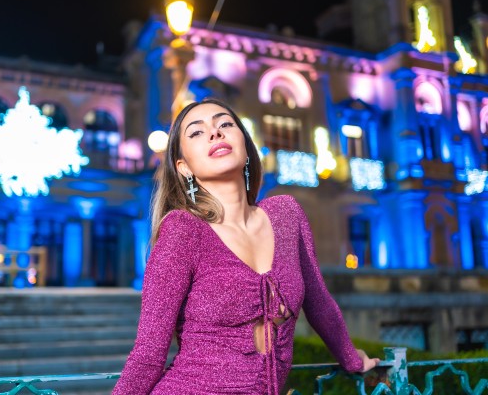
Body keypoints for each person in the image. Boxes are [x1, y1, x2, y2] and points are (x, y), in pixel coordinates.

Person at [113, 98, 380, 394]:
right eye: (197, 132)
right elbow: (148, 355)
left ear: (246, 145)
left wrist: (352, 358)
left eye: (225, 124)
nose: (215, 132)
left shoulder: (286, 214)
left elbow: (319, 303)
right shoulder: (182, 230)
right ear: (184, 167)